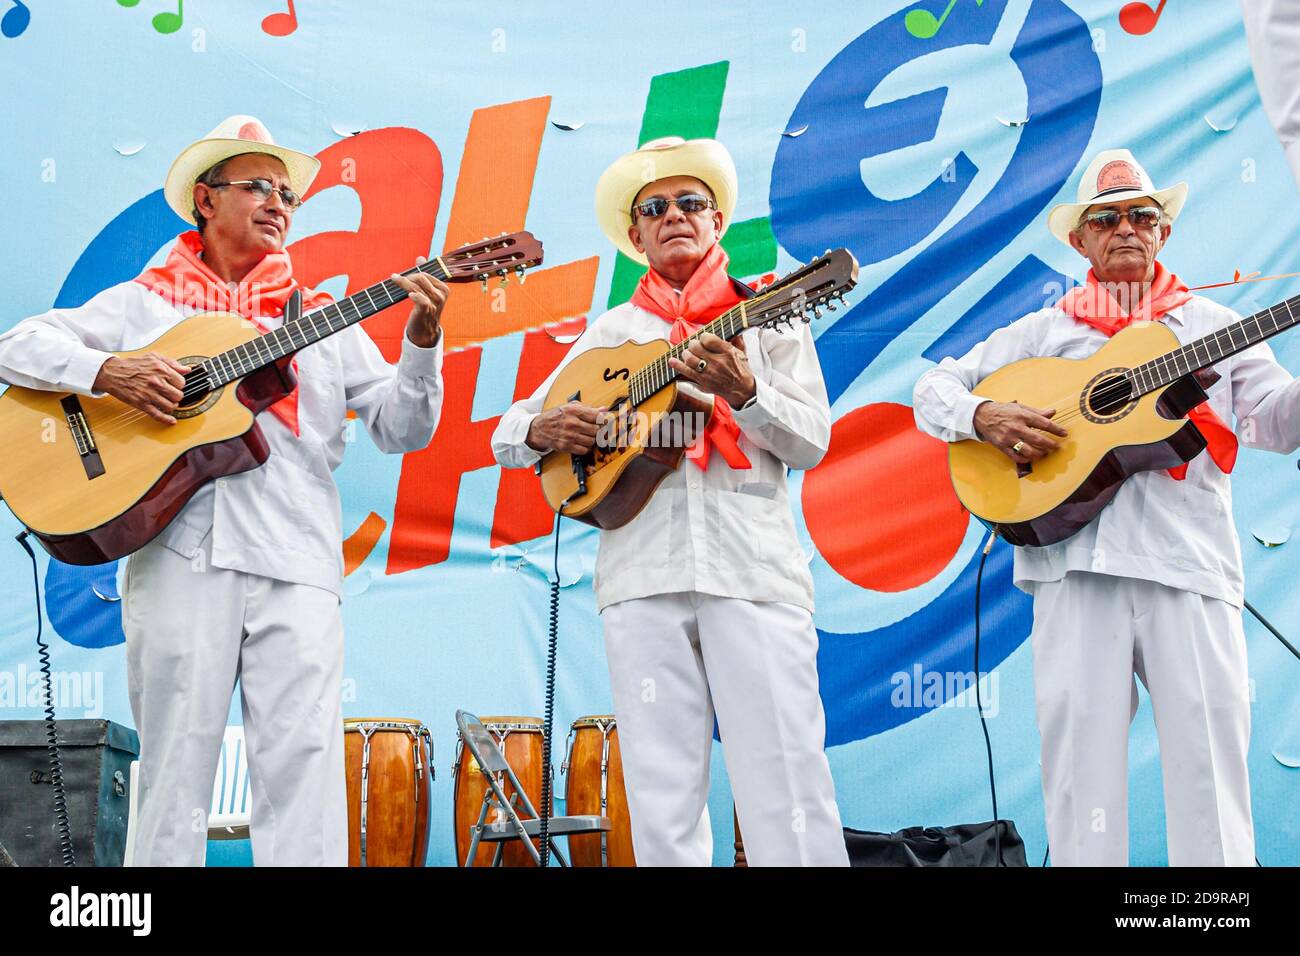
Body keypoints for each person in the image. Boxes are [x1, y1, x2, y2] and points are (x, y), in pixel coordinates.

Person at [0, 115, 449, 865]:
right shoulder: (144, 306)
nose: (279, 202)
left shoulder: (322, 319)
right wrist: (111, 372)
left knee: (303, 768)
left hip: (299, 558)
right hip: (179, 556)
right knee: (175, 769)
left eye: (289, 195)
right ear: (206, 201)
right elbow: (17, 347)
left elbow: (402, 429)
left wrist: (424, 341)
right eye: (259, 187)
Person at [913, 148, 1300, 865]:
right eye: (1107, 217)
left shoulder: (1211, 322)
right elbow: (933, 389)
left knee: (1210, 773)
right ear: (1080, 239)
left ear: (1163, 233)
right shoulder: (1041, 332)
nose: (1127, 227)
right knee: (1079, 776)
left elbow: (1274, 420)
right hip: (1073, 569)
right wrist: (984, 415)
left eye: (1142, 216)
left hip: (1189, 565)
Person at [492, 136, 848, 866]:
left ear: (717, 221)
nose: (673, 215)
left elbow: (812, 439)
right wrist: (544, 426)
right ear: (636, 237)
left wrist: (745, 392)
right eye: (655, 208)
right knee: (659, 794)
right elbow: (507, 434)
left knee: (787, 781)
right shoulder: (612, 335)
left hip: (753, 574)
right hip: (641, 578)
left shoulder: (769, 313)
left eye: (690, 203)